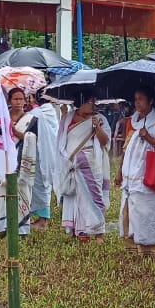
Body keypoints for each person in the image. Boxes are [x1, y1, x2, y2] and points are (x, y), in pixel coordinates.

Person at [115, 87, 155, 255]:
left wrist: (148, 137)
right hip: (129, 175)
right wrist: (119, 171)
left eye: (141, 99)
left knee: (147, 211)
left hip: (148, 175)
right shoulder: (131, 122)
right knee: (128, 211)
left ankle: (150, 249)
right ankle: (131, 247)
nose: (137, 102)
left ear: (151, 101)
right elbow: (126, 148)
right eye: (135, 99)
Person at [58, 93, 112, 241]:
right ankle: (80, 231)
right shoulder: (67, 118)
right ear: (80, 103)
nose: (93, 105)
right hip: (71, 163)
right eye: (89, 102)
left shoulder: (101, 119)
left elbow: (105, 142)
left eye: (95, 102)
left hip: (92, 162)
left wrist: (97, 128)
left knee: (94, 196)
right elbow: (61, 142)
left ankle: (99, 232)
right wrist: (67, 160)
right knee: (74, 197)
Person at [0, 88, 34, 236]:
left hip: (22, 159)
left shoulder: (31, 119)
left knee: (22, 191)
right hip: (5, 159)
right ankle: (3, 226)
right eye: (15, 99)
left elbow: (32, 138)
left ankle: (22, 228)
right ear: (9, 101)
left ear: (25, 101)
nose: (18, 102)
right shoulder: (2, 118)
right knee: (3, 191)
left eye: (21, 99)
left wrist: (14, 131)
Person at [29, 94, 62, 229]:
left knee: (42, 186)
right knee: (37, 186)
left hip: (44, 153)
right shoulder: (47, 111)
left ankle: (43, 221)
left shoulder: (42, 112)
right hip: (40, 152)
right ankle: (34, 217)